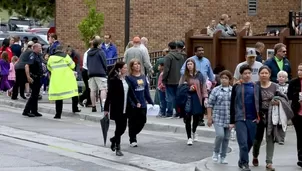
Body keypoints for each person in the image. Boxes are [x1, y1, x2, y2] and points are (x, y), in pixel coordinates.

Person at [251, 66, 284, 171]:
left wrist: (277, 101)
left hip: (272, 115)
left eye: (266, 73)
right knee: (257, 139)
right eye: (262, 73)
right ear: (259, 74)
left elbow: (283, 98)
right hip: (258, 115)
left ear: (269, 75)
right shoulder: (255, 86)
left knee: (270, 138)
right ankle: (255, 155)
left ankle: (269, 162)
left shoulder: (275, 86)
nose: (264, 75)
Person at [104, 62, 140, 156]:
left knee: (123, 128)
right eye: (124, 68)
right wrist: (106, 108)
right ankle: (118, 148)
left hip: (126, 107)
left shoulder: (126, 79)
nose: (126, 69)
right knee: (118, 127)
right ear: (119, 69)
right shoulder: (114, 80)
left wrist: (137, 102)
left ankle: (113, 139)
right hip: (117, 107)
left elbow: (131, 92)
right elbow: (110, 95)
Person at [230, 64, 261, 171]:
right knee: (242, 143)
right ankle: (245, 163)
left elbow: (259, 103)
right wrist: (232, 121)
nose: (247, 75)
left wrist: (258, 117)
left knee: (250, 142)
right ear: (241, 75)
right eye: (245, 73)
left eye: (249, 73)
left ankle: (241, 159)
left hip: (252, 118)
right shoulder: (237, 86)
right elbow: (232, 104)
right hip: (240, 118)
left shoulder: (256, 86)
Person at [179, 59, 208, 145]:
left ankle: (194, 131)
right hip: (187, 98)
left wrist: (205, 97)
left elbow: (203, 86)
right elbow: (180, 87)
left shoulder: (199, 75)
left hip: (197, 97)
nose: (189, 66)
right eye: (188, 64)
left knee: (196, 117)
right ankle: (189, 137)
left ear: (194, 65)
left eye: (191, 64)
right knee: (187, 118)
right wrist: (188, 88)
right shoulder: (184, 75)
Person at [47, 45, 80, 119]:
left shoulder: (51, 58)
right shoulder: (66, 57)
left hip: (56, 79)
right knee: (74, 93)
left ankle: (58, 114)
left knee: (58, 97)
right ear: (62, 50)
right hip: (67, 79)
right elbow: (72, 66)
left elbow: (49, 67)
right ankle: (75, 108)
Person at [126, 59, 154, 147]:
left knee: (142, 121)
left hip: (142, 103)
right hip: (133, 104)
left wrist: (150, 101)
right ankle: (132, 139)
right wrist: (133, 102)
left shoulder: (143, 76)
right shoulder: (129, 78)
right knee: (133, 121)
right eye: (135, 64)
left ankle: (133, 132)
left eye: (138, 64)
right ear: (131, 67)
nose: (137, 66)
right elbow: (130, 92)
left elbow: (146, 90)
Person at [207, 70, 233, 164]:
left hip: (229, 118)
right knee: (220, 135)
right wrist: (210, 118)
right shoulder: (216, 90)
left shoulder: (232, 90)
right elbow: (210, 104)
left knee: (226, 138)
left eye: (226, 78)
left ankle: (223, 156)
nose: (224, 80)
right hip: (218, 117)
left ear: (230, 80)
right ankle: (216, 152)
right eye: (222, 78)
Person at [163, 41, 185, 118]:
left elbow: (166, 70)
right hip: (179, 79)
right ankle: (178, 112)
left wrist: (163, 79)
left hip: (170, 80)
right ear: (176, 47)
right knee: (177, 97)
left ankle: (169, 112)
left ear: (169, 47)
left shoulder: (168, 57)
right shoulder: (181, 57)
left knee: (169, 97)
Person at [22, 43, 44, 117]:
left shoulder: (38, 56)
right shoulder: (32, 56)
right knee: (33, 95)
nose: (40, 49)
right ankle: (26, 111)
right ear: (35, 48)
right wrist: (28, 77)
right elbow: (27, 66)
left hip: (38, 77)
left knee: (36, 95)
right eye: (39, 48)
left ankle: (34, 111)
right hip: (33, 78)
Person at [287, 63, 302, 168]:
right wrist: (298, 96)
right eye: (299, 70)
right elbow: (289, 95)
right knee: (300, 136)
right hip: (297, 113)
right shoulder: (293, 82)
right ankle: (301, 158)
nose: (300, 72)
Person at [87, 38, 107, 112]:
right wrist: (105, 70)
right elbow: (104, 62)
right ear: (99, 45)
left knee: (92, 90)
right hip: (100, 73)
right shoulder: (100, 52)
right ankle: (103, 106)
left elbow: (88, 63)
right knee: (103, 89)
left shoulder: (89, 53)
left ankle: (93, 106)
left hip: (91, 73)